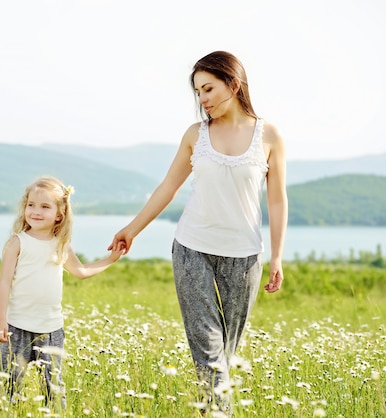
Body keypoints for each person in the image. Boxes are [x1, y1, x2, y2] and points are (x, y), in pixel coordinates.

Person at [109, 51, 288, 414]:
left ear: (233, 84)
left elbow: (277, 201)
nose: (202, 99)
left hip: (244, 259)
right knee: (208, 356)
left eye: (208, 89)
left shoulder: (268, 135)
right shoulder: (196, 135)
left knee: (227, 354)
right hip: (193, 250)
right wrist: (132, 229)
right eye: (198, 92)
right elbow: (167, 188)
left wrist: (277, 256)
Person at [0, 176, 124, 411]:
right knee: (9, 386)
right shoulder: (17, 243)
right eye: (31, 205)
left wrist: (111, 259)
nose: (36, 211)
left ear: (59, 213)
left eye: (45, 206)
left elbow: (82, 271)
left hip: (51, 329)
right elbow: (4, 283)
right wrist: (1, 321)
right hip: (16, 326)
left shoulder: (61, 245)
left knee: (53, 388)